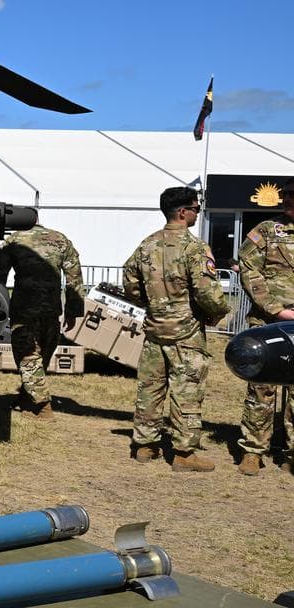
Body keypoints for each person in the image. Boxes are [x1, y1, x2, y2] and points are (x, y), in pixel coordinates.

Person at [122, 187, 230, 472]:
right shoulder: (194, 247)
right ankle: (184, 453)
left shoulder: (146, 245)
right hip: (187, 333)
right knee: (187, 391)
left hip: (155, 330)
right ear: (183, 212)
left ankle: (145, 445)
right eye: (195, 208)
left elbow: (130, 282)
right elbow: (208, 293)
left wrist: (153, 303)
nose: (197, 213)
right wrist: (217, 314)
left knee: (151, 389)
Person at [0, 224, 85, 419]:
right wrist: (73, 311)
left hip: (25, 308)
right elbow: (74, 278)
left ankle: (42, 405)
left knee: (27, 355)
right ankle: (28, 397)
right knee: (42, 354)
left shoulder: (15, 240)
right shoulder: (60, 239)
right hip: (51, 309)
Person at [235, 177, 294, 476]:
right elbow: (249, 271)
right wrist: (277, 310)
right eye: (287, 197)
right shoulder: (266, 233)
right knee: (261, 389)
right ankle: (253, 450)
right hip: (268, 323)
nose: (289, 202)